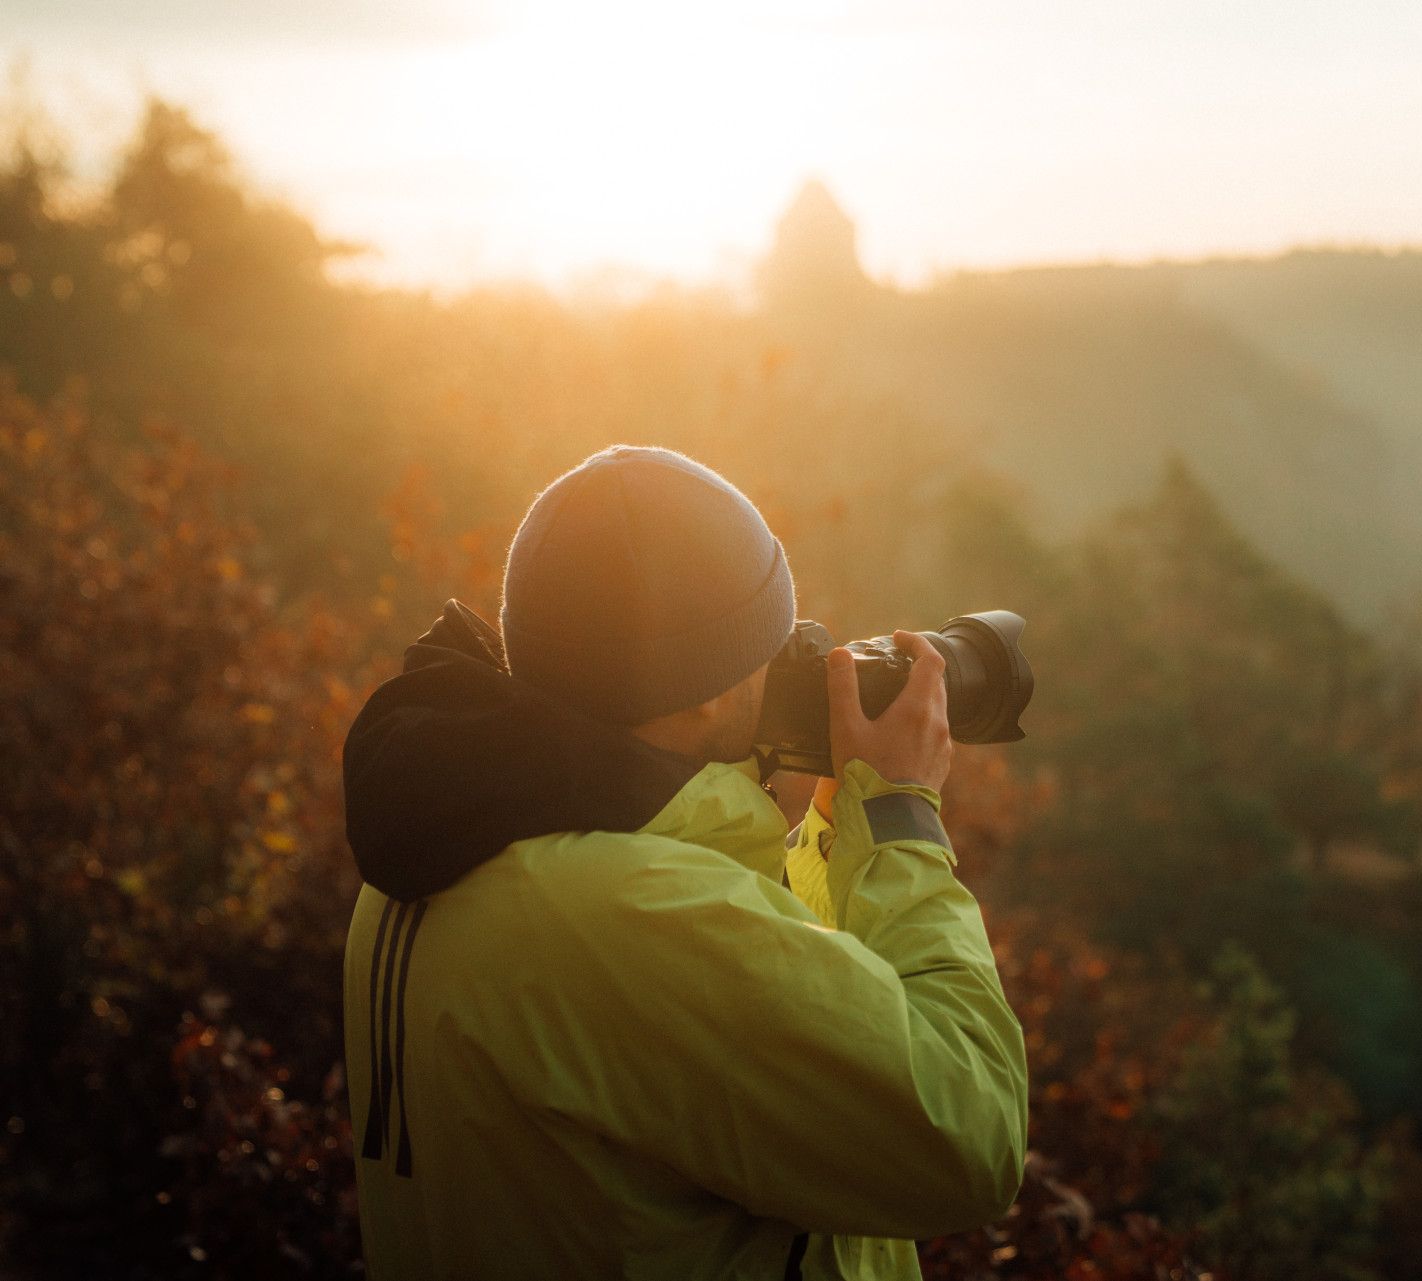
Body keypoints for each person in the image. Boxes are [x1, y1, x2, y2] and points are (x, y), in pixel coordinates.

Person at [340, 446, 1027, 1280]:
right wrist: (899, 814)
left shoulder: (441, 839)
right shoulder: (636, 912)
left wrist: (823, 819)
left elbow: (758, 1013)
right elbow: (971, 1135)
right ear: (702, 690)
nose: (786, 662)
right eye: (767, 642)